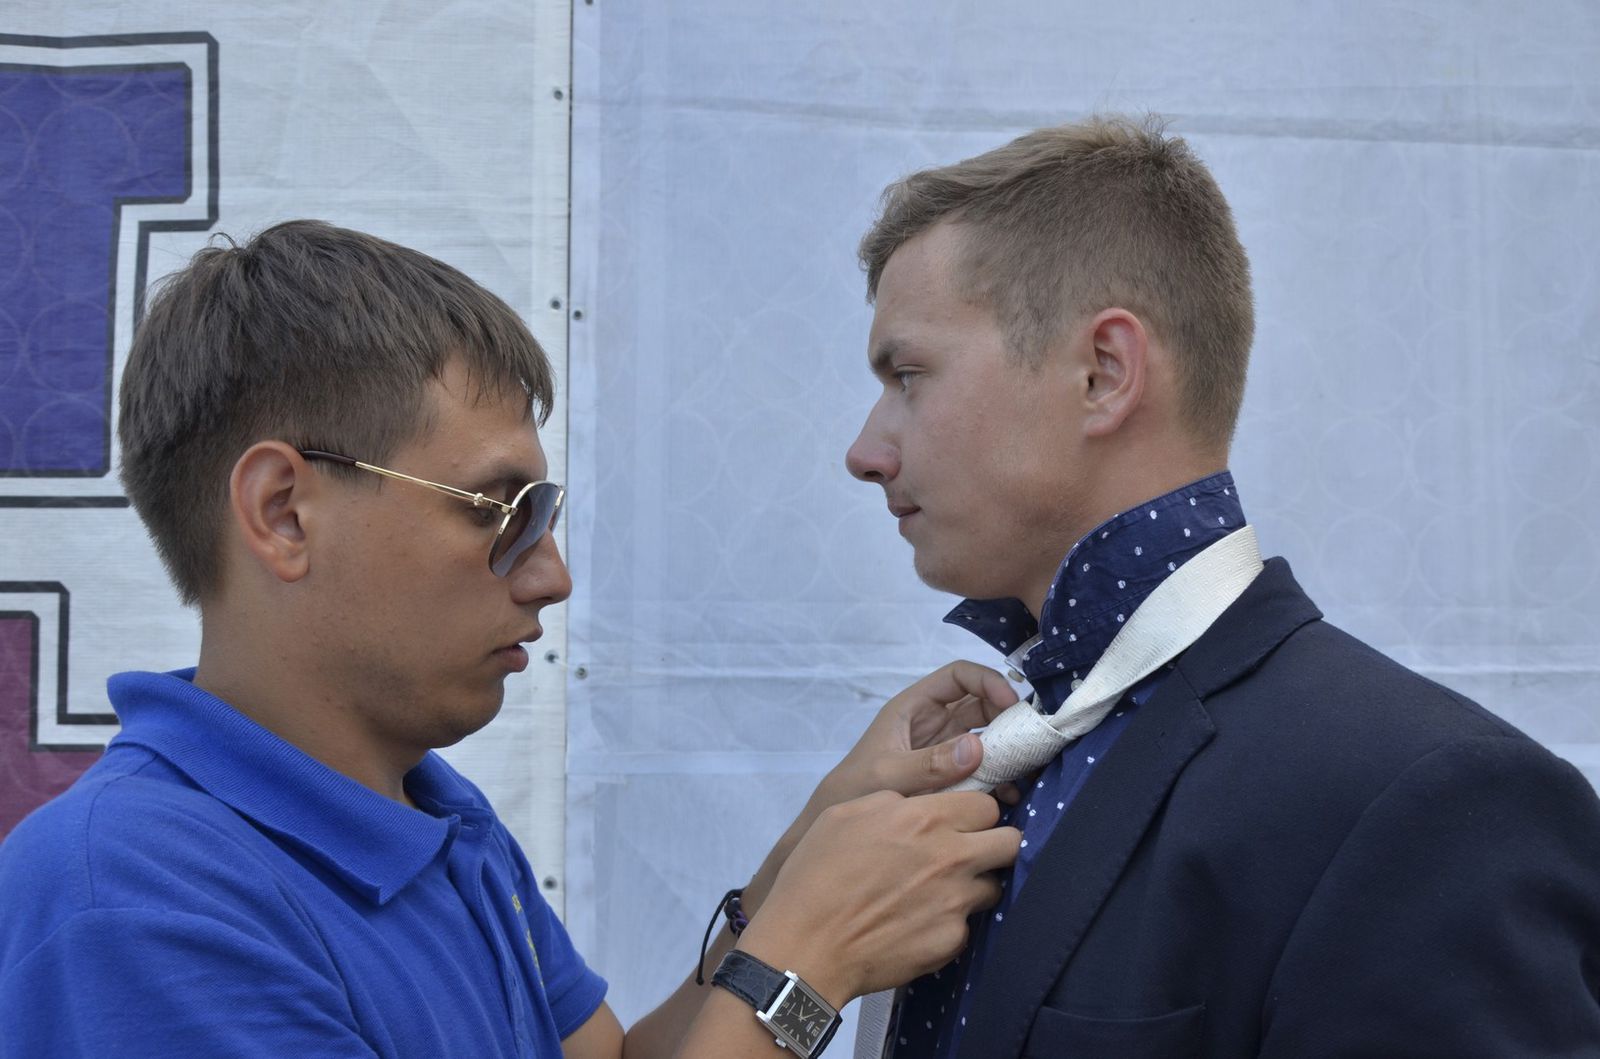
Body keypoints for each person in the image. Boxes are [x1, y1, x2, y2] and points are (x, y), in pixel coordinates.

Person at [0, 220, 1023, 1058]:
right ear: (282, 512)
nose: (550, 574)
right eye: (498, 509)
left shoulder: (434, 815)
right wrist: (805, 966)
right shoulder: (131, 899)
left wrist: (808, 851)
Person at [844, 115, 1600, 1058]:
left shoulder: (1425, 803)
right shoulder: (990, 760)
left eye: (908, 374)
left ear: (1103, 373)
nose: (864, 452)